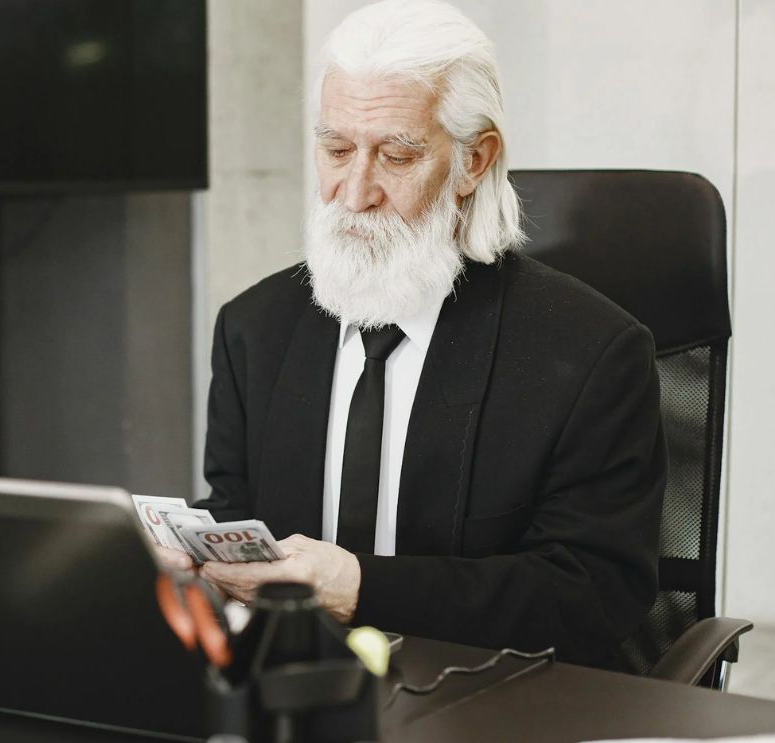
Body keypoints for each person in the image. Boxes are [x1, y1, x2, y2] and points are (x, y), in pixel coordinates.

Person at [173, 0, 666, 671]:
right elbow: (237, 513)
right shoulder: (253, 328)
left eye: (396, 155)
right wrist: (198, 552)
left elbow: (589, 597)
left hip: (487, 699)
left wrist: (360, 588)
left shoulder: (592, 354)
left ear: (472, 162)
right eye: (336, 149)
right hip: (295, 689)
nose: (353, 193)